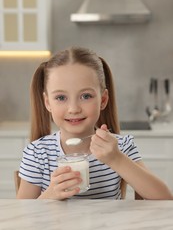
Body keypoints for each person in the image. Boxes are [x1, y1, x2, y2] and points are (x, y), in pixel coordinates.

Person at [17, 47, 173, 200]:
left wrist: (116, 159)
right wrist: (50, 195)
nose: (73, 109)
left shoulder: (121, 147)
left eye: (86, 96)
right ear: (47, 102)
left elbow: (165, 199)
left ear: (103, 100)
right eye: (60, 98)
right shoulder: (38, 153)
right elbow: (21, 219)